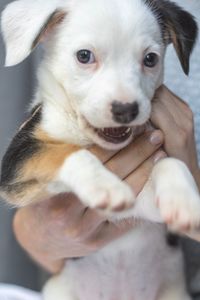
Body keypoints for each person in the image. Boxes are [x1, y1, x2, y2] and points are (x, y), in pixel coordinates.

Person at [0, 0, 200, 299]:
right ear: (45, 32)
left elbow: (149, 201)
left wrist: (177, 180)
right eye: (85, 57)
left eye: (148, 60)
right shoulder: (55, 115)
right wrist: (76, 171)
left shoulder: (159, 119)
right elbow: (14, 180)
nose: (126, 99)